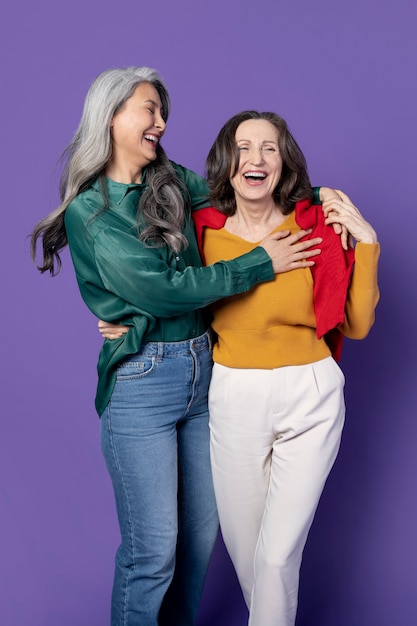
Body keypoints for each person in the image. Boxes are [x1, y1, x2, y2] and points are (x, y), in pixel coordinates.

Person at [30, 69, 331, 626]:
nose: (161, 123)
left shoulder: (168, 179)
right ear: (113, 116)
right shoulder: (91, 212)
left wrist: (318, 196)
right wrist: (262, 261)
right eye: (149, 110)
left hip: (204, 369)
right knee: (153, 549)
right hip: (143, 380)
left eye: (161, 112)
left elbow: (234, 190)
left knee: (197, 542)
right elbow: (164, 291)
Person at [197, 111, 380, 626]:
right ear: (226, 161)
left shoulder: (317, 224)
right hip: (233, 396)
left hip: (310, 393)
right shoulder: (201, 232)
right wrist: (123, 320)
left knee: (277, 556)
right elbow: (162, 290)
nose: (256, 159)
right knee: (249, 555)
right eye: (244, 147)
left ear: (284, 162)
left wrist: (365, 243)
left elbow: (358, 325)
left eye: (270, 148)